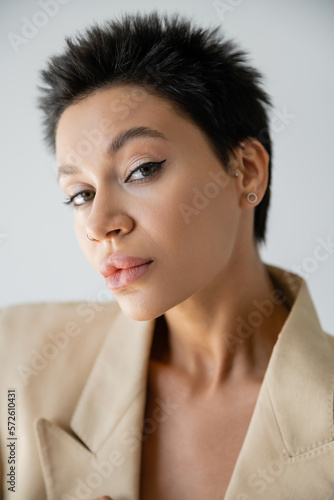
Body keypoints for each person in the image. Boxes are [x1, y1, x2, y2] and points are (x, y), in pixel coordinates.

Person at [1, 10, 333, 500]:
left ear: (245, 170)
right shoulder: (13, 360)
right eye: (79, 194)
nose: (99, 224)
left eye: (141, 169)